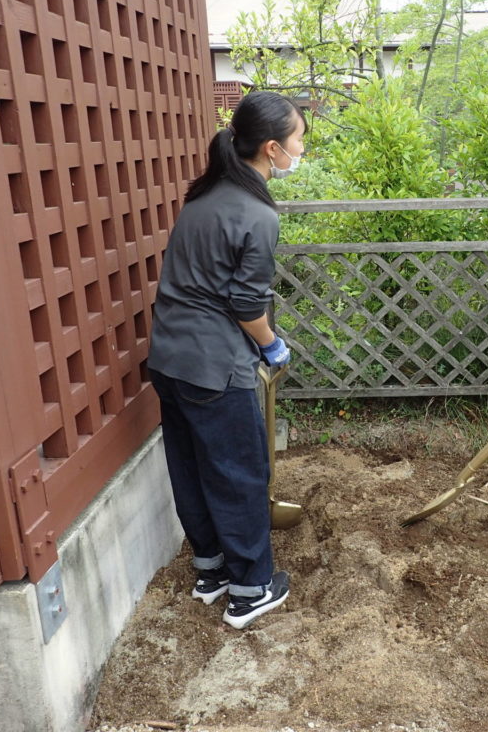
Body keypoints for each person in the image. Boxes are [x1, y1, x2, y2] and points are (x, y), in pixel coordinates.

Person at [148, 91, 305, 629]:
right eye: (298, 139)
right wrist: (270, 343)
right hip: (214, 366)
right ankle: (251, 589)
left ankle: (211, 569)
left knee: (190, 464)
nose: (300, 148)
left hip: (168, 357)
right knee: (238, 472)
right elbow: (245, 304)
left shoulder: (203, 194)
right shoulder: (256, 213)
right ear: (270, 148)